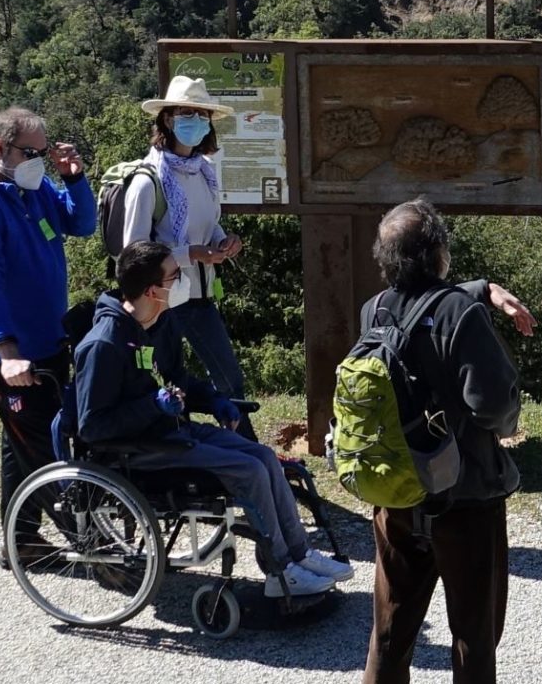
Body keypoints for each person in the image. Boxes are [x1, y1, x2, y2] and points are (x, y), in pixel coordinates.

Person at [349, 200, 533, 684]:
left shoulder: (374, 310)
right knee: (472, 637)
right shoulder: (459, 314)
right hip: (467, 499)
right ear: (438, 253)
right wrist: (503, 426)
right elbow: (495, 403)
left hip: (396, 498)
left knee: (391, 627)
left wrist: (482, 290)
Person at [69, 241, 351, 600]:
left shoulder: (161, 322)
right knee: (247, 470)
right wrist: (152, 406)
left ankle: (301, 554)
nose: (182, 280)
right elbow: (92, 426)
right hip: (138, 450)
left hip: (171, 431)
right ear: (153, 290)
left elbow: (180, 381)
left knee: (263, 457)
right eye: (175, 275)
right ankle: (282, 571)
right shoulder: (103, 344)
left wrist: (215, 400)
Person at [0, 106, 95, 566]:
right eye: (32, 152)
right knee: (44, 450)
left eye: (44, 150)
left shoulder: (31, 187)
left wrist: (72, 178)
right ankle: (98, 550)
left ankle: (22, 542)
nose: (41, 158)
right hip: (14, 355)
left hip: (49, 340)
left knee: (24, 443)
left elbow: (82, 224)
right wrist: (5, 350)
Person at [108, 76, 248, 405]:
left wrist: (224, 240)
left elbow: (209, 223)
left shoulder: (204, 171)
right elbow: (133, 256)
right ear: (168, 119)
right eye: (187, 113)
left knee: (229, 382)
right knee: (166, 390)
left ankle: (243, 451)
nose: (197, 121)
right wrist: (191, 254)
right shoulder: (148, 180)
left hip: (198, 296)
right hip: (160, 302)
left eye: (203, 115)